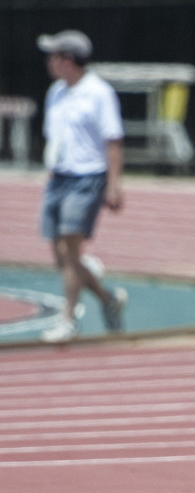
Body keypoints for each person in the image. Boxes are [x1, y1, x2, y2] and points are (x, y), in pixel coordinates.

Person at [37, 30, 128, 343]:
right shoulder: (56, 92)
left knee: (71, 251)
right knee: (62, 257)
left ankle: (67, 320)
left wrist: (114, 185)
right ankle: (108, 298)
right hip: (59, 177)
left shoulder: (98, 92)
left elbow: (112, 140)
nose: (49, 62)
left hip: (87, 177)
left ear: (68, 60)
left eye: (54, 56)